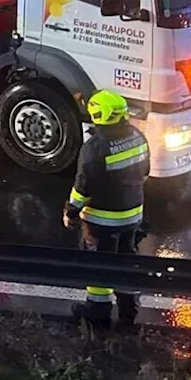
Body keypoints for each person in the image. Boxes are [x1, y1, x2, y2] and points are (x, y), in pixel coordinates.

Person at [63, 89, 150, 332]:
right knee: (126, 262)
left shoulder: (94, 148)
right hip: (133, 216)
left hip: (102, 221)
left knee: (99, 269)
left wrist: (71, 212)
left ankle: (97, 318)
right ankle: (128, 315)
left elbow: (83, 187)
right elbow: (145, 172)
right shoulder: (138, 136)